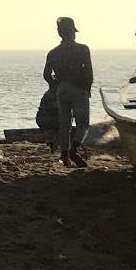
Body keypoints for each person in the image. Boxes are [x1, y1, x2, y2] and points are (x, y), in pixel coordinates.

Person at [43, 17, 93, 169]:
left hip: (61, 88)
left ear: (60, 33)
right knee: (83, 123)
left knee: (64, 124)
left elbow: (46, 75)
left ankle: (64, 155)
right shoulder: (82, 49)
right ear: (72, 32)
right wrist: (87, 87)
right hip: (78, 87)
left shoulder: (53, 53)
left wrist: (55, 85)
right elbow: (88, 72)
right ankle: (73, 150)